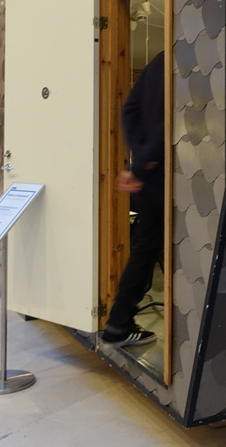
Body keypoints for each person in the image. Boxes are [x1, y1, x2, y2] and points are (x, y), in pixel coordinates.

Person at [101, 50, 165, 348]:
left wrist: (138, 158)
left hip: (149, 173)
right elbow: (174, 119)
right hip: (168, 171)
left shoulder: (156, 62)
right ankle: (119, 323)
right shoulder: (185, 55)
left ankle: (119, 323)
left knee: (146, 248)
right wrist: (144, 162)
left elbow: (130, 109)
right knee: (156, 248)